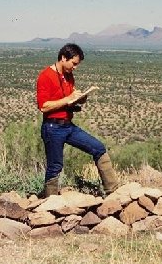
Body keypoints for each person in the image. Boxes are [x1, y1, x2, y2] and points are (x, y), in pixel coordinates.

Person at [35, 43, 119, 198]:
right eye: (73, 63)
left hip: (68, 126)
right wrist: (67, 99)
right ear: (63, 58)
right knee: (55, 166)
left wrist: (80, 97)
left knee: (98, 148)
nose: (75, 67)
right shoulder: (45, 76)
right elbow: (44, 106)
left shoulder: (68, 76)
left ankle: (113, 191)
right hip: (52, 127)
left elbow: (71, 97)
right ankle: (50, 201)